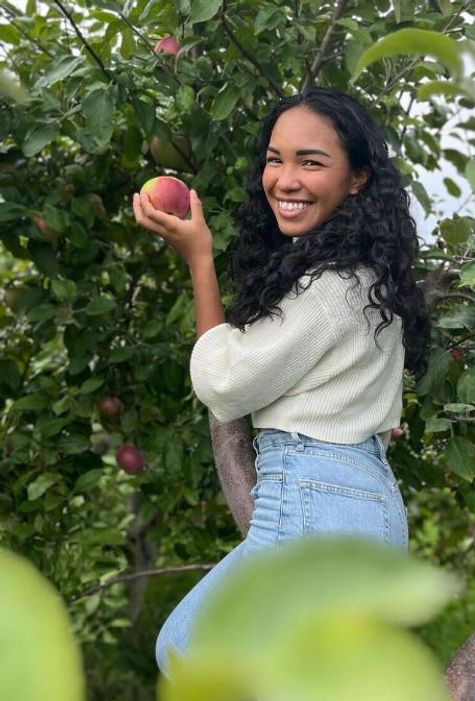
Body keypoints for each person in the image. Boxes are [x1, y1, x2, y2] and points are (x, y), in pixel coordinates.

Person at [133, 88, 430, 676]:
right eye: (275, 159)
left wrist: (200, 260)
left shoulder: (330, 288)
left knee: (188, 654)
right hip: (363, 504)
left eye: (311, 162)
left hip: (317, 501)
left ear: (357, 179)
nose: (285, 179)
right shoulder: (367, 278)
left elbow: (224, 384)